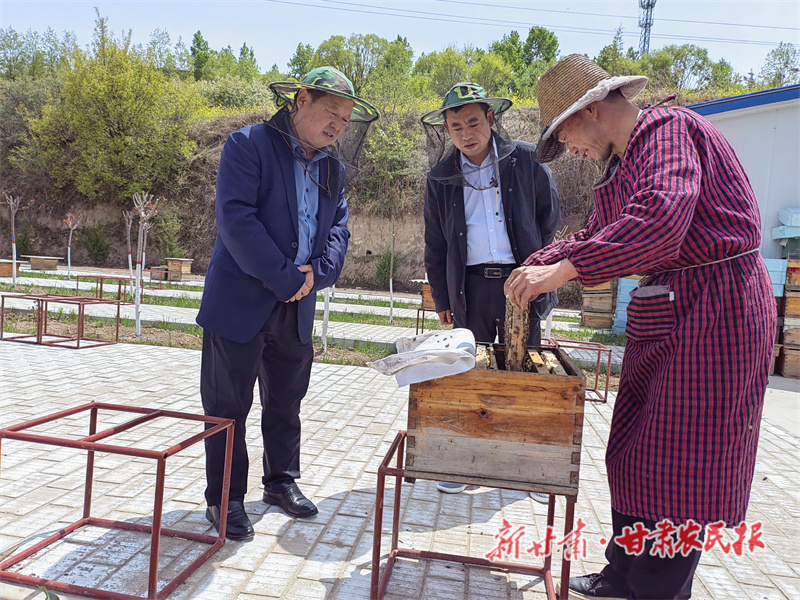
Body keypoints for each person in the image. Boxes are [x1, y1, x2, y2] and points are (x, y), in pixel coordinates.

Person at [505, 54, 776, 599]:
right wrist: (539, 263)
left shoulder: (669, 130)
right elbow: (596, 234)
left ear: (592, 109)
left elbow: (659, 220)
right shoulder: (625, 162)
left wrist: (565, 269)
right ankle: (622, 576)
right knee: (634, 452)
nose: (570, 150)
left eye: (565, 135)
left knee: (682, 464)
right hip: (670, 309)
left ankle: (657, 590)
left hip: (716, 312)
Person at [196, 67, 379, 540]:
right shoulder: (248, 145)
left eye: (345, 119)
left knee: (286, 400)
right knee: (227, 406)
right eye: (331, 112)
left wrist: (320, 274)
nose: (338, 125)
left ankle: (280, 482)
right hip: (241, 300)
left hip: (298, 304)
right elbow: (236, 220)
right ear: (301, 100)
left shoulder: (333, 168)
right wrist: (285, 278)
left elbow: (338, 228)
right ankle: (224, 498)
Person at [421, 83, 560, 495]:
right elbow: (435, 244)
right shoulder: (440, 177)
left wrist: (542, 276)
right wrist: (442, 298)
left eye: (474, 122)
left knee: (527, 371)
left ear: (491, 119)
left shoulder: (527, 160)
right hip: (470, 286)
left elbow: (549, 220)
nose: (466, 133)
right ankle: (465, 462)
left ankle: (529, 465)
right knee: (470, 370)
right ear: (447, 130)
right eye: (456, 126)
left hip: (522, 281)